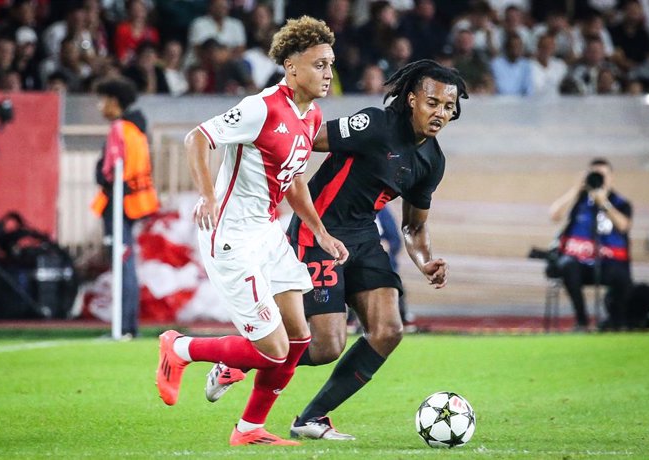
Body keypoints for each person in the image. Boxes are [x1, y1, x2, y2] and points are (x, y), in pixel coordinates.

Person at [210, 59, 468, 440]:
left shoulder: (432, 160)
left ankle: (311, 418)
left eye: (448, 107)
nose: (440, 113)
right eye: (432, 103)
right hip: (319, 233)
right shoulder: (375, 125)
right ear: (412, 99)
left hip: (364, 237)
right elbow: (305, 138)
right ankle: (243, 359)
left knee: (388, 330)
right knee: (327, 345)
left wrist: (425, 261)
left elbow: (414, 225)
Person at [155, 16, 349, 446]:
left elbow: (295, 179)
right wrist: (206, 195)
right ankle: (181, 348)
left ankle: (248, 429)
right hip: (232, 237)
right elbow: (197, 139)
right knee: (273, 350)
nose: (328, 73)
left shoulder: (312, 116)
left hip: (268, 233)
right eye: (319, 64)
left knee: (300, 337)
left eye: (330, 64)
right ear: (291, 67)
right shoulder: (261, 107)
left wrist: (318, 231)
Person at [90, 76, 159, 338]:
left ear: (114, 101)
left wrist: (100, 176)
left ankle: (124, 328)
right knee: (127, 264)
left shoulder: (120, 128)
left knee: (122, 265)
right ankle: (128, 326)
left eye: (102, 100)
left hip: (120, 205)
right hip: (133, 204)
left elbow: (110, 172)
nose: (100, 106)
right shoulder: (137, 128)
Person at [548, 158, 633, 331]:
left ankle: (615, 322)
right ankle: (582, 321)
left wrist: (604, 203)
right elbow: (554, 215)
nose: (599, 178)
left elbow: (624, 226)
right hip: (581, 264)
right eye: (595, 174)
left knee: (622, 277)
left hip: (610, 264)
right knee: (566, 265)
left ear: (611, 177)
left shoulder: (620, 202)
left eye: (603, 175)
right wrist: (575, 190)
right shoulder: (579, 201)